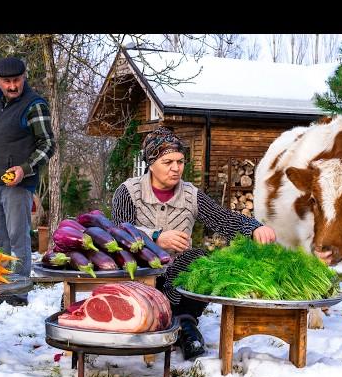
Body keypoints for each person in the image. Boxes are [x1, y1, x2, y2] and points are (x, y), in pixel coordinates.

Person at [112, 126, 276, 359]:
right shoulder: (128, 191)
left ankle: (185, 323)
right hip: (138, 272)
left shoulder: (190, 194)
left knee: (200, 260)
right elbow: (119, 232)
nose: (176, 168)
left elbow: (223, 219)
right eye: (168, 162)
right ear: (151, 162)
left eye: (180, 161)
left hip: (176, 273)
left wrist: (255, 228)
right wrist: (156, 236)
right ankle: (156, 319)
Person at [0, 57, 55, 305]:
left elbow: (48, 145)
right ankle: (1, 287)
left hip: (17, 184)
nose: (12, 86)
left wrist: (25, 168)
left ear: (23, 77)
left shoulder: (34, 105)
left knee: (18, 238)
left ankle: (18, 291)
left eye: (16, 80)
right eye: (7, 82)